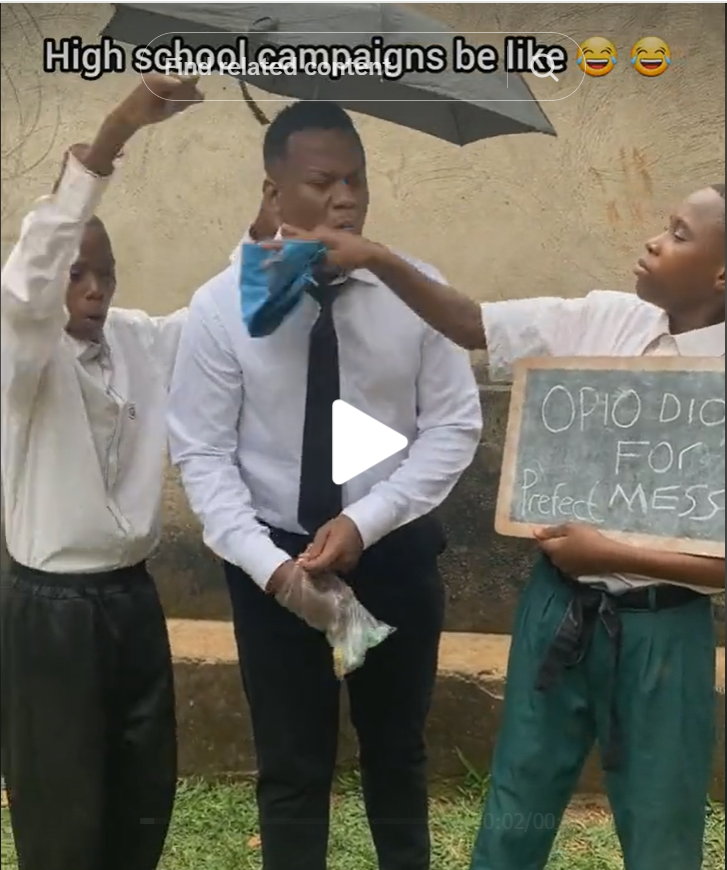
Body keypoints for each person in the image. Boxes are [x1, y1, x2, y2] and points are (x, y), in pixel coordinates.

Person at [276, 182, 726, 870]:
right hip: (558, 608)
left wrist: (610, 551)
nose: (653, 241)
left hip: (665, 630)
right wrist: (376, 257)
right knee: (517, 805)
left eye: (678, 234)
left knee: (661, 821)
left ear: (720, 275)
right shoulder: (604, 319)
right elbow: (471, 324)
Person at [166, 100, 483, 870]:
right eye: (321, 182)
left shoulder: (416, 290)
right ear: (272, 192)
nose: (345, 199)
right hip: (273, 562)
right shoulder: (221, 307)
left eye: (356, 180)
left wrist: (367, 520)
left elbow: (453, 426)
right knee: (291, 764)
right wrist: (272, 569)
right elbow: (202, 453)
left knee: (397, 753)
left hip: (392, 551)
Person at [0, 73, 203, 870]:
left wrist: (276, 232)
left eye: (105, 274)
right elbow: (28, 280)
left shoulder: (137, 341)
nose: (92, 290)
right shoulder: (22, 360)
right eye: (76, 274)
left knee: (140, 785)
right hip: (51, 610)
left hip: (131, 597)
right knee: (63, 803)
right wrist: (118, 131)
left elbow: (216, 320)